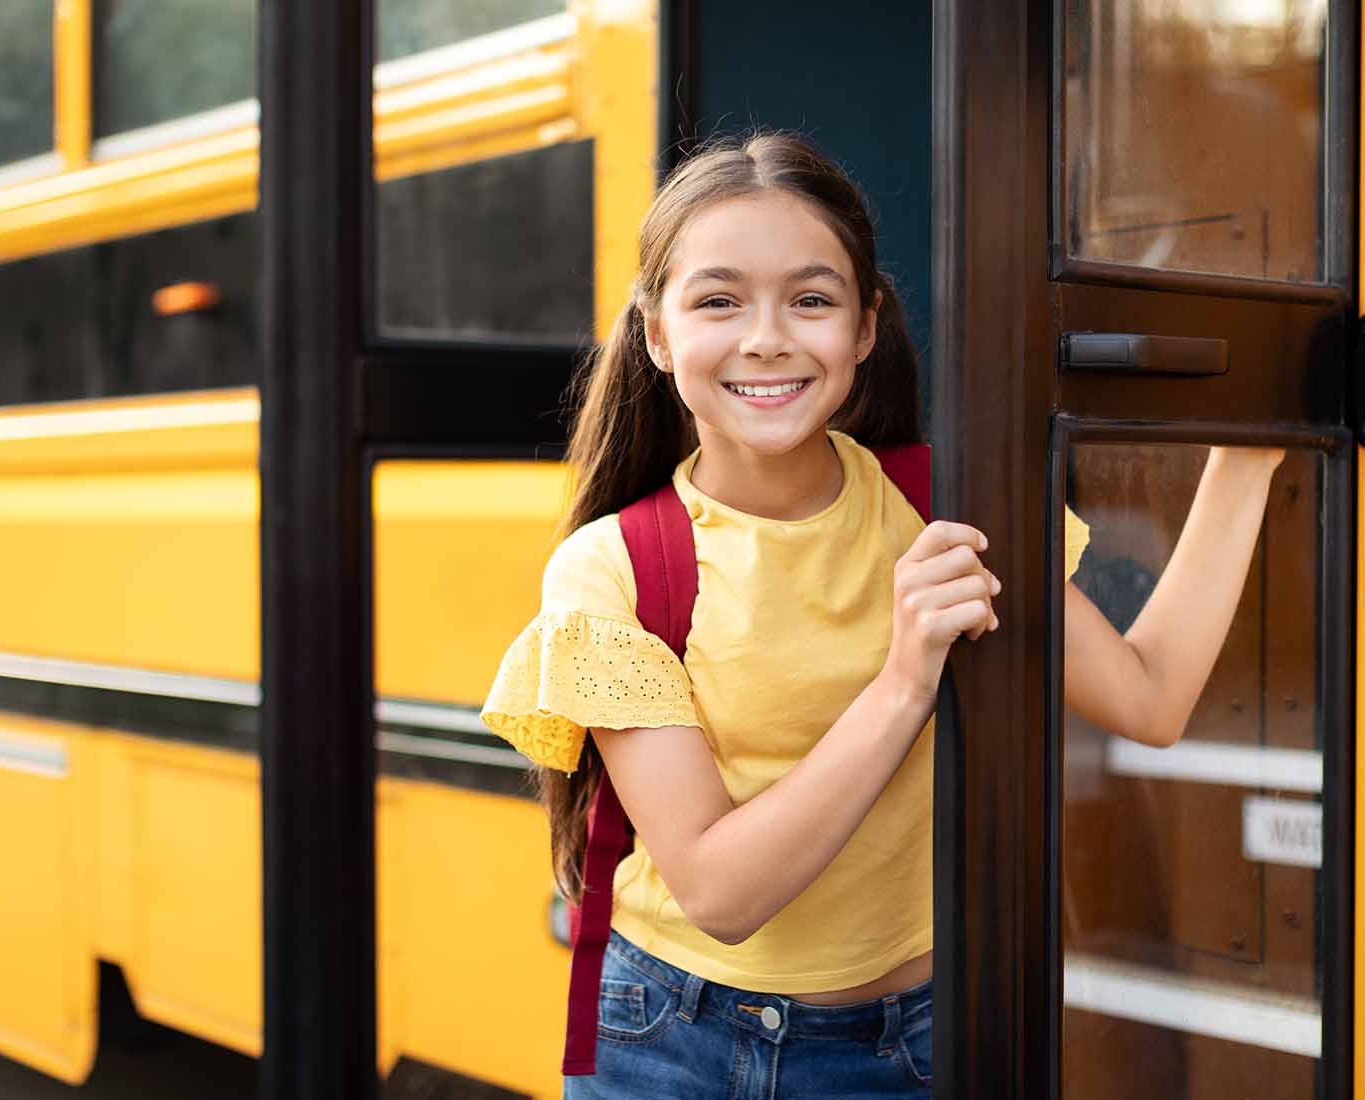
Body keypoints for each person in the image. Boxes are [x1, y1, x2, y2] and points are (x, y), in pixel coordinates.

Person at [481, 132, 1282, 1098]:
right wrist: (905, 680)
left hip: (914, 1047)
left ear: (865, 328)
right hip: (676, 1047)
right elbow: (721, 893)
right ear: (656, 335)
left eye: (811, 300)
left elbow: (1151, 699)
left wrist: (1253, 452)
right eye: (719, 300)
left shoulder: (946, 508)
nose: (767, 336)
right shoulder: (612, 569)